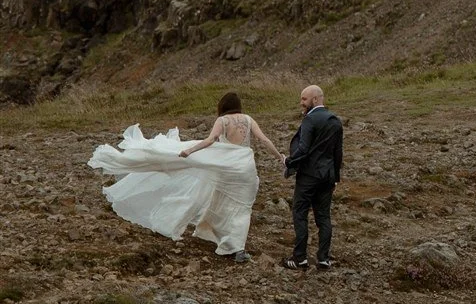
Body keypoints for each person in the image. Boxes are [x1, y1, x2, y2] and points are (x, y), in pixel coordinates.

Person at [87, 91, 272, 262]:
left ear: (223, 106)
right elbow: (264, 139)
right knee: (241, 208)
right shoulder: (248, 119)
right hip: (246, 167)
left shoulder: (223, 121)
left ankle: (226, 241)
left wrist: (189, 151)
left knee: (221, 202)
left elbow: (210, 140)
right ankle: (235, 247)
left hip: (226, 168)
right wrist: (281, 158)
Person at [282, 84, 344, 270]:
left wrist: (288, 162)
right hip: (327, 177)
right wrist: (335, 176)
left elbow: (303, 149)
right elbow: (338, 152)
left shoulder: (310, 120)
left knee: (299, 212)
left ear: (315, 99)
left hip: (309, 176)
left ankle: (299, 258)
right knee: (323, 216)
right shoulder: (336, 121)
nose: (301, 103)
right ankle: (323, 258)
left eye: (304, 99)